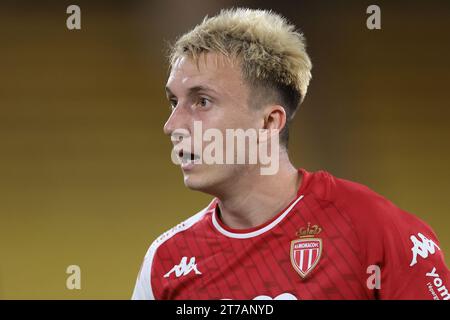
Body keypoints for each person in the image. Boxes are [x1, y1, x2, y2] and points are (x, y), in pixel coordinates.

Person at [132, 8, 449, 300]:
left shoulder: (373, 231)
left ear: (269, 122)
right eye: (174, 102)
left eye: (202, 101)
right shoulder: (166, 262)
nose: (172, 125)